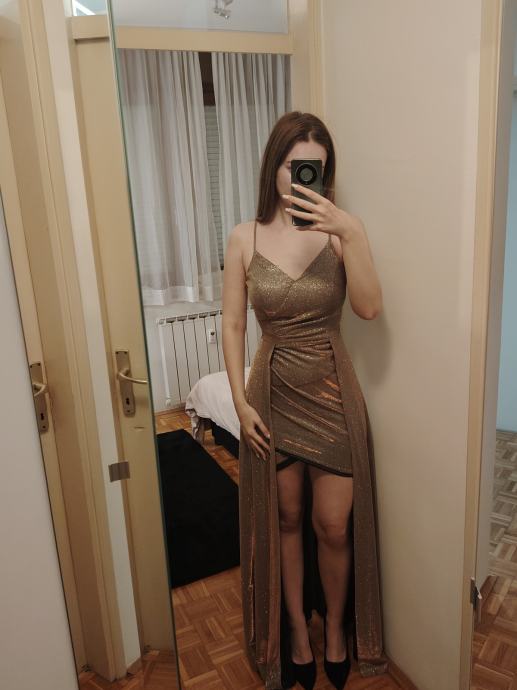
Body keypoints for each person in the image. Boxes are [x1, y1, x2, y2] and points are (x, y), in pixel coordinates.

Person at [222, 111, 388, 690]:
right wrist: (241, 402)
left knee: (333, 525)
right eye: (294, 166)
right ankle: (295, 631)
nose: (303, 178)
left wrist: (352, 232)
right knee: (286, 519)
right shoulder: (244, 237)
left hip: (333, 392)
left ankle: (336, 629)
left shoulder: (341, 233)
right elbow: (232, 324)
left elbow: (369, 307)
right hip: (271, 394)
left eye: (315, 168)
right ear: (274, 167)